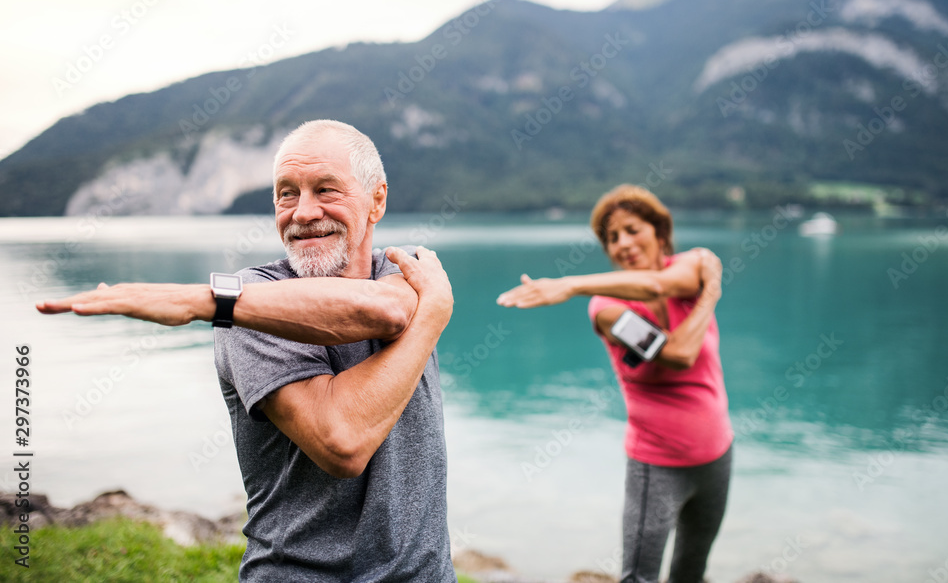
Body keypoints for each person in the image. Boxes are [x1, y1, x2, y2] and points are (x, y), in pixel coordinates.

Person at [37, 120, 457, 582]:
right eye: (286, 193)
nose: (302, 212)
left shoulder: (402, 270)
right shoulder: (249, 304)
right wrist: (434, 314)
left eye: (326, 189)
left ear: (377, 200)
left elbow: (388, 311)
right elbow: (343, 442)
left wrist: (200, 300)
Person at [497, 184, 732, 583]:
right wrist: (711, 293)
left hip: (717, 457)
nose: (623, 243)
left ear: (659, 232)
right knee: (638, 577)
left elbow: (660, 284)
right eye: (612, 238)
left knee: (692, 571)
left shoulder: (689, 267)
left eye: (632, 229)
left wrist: (570, 283)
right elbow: (678, 355)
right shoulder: (608, 309)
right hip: (657, 465)